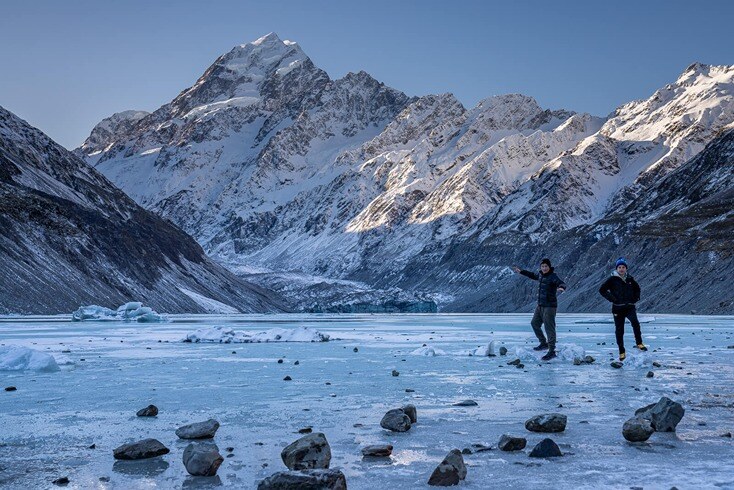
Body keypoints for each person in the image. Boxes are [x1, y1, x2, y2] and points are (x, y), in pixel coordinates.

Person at [512, 258, 566, 360]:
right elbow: (533, 275)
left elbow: (561, 282)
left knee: (549, 327)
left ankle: (551, 351)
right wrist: (521, 272)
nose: (544, 268)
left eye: (546, 266)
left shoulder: (553, 276)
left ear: (549, 267)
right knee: (534, 323)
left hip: (550, 306)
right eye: (543, 266)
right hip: (540, 305)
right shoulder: (541, 275)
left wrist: (562, 287)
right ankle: (543, 343)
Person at [598, 257, 647, 361]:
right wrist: (612, 298)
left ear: (626, 268)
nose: (621, 269)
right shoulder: (612, 279)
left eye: (623, 267)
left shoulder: (630, 279)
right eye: (619, 267)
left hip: (629, 307)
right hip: (617, 308)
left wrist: (636, 298)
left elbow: (637, 289)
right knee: (620, 330)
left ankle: (639, 343)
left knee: (635, 323)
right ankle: (621, 351)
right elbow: (602, 290)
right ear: (616, 268)